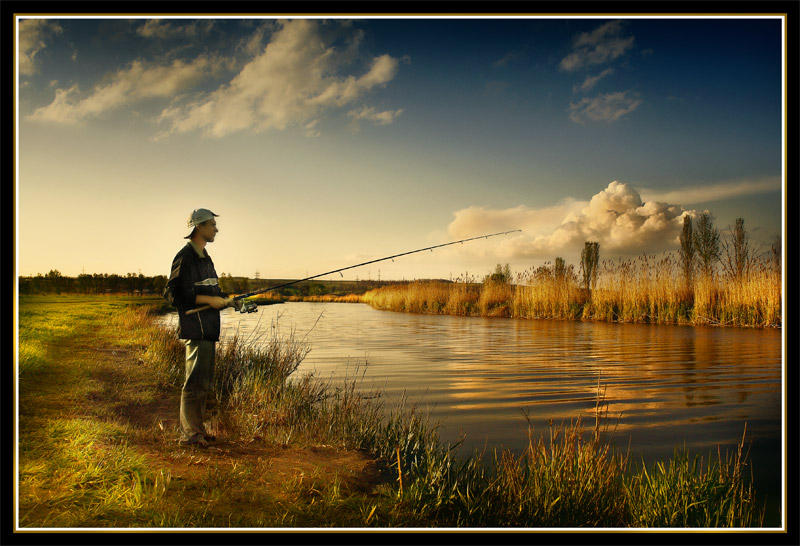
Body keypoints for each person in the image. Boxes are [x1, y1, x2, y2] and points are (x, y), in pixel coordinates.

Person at [163, 208, 243, 448]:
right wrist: (209, 301)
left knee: (203, 382)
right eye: (212, 225)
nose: (216, 229)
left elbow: (213, 292)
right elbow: (173, 294)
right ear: (199, 227)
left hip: (208, 330)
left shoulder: (205, 257)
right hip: (196, 330)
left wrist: (230, 301)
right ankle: (189, 436)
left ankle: (197, 431)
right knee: (194, 382)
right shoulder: (185, 257)